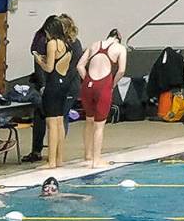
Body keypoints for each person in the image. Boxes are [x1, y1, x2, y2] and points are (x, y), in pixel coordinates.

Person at [76, 28, 125, 167]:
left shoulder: (94, 44)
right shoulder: (120, 48)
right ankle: (96, 160)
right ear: (118, 39)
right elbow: (121, 70)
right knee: (99, 125)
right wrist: (112, 84)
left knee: (89, 120)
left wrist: (87, 81)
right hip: (103, 86)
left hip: (88, 85)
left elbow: (79, 66)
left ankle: (87, 154)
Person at [32, 16, 71, 168]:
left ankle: (51, 161)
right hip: (63, 84)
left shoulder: (52, 43)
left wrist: (39, 60)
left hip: (52, 85)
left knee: (51, 123)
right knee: (60, 122)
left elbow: (48, 68)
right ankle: (59, 159)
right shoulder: (66, 44)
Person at [21, 15, 56, 163]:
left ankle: (37, 150)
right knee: (50, 120)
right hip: (46, 83)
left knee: (41, 118)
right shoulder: (45, 41)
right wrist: (43, 85)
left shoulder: (39, 38)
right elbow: (41, 66)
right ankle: (52, 151)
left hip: (42, 82)